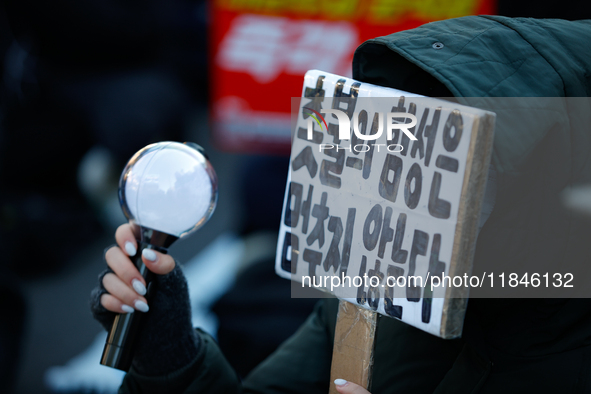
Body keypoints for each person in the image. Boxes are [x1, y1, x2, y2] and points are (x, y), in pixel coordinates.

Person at [90, 15, 591, 393]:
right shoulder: (382, 285)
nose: (399, 196)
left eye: (462, 162)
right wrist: (170, 356)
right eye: (399, 141)